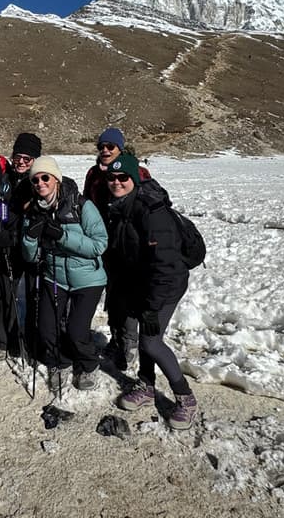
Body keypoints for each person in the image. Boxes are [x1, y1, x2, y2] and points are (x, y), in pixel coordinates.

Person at [103, 152, 197, 430]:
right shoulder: (121, 206)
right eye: (112, 177)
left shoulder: (153, 214)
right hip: (143, 283)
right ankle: (145, 385)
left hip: (166, 285)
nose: (117, 182)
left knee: (151, 342)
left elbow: (166, 267)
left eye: (123, 177)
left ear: (135, 178)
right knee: (146, 337)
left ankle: (185, 398)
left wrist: (153, 308)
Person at [21, 156, 108, 393]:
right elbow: (30, 256)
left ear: (56, 179)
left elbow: (99, 245)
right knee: (47, 329)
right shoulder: (34, 210)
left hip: (88, 279)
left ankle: (89, 364)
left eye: (45, 177)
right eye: (35, 179)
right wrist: (30, 236)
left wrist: (62, 236)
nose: (40, 183)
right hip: (54, 276)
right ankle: (60, 362)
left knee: (77, 331)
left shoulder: (82, 205)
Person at [82, 127, 150, 371]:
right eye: (101, 146)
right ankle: (116, 337)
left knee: (129, 294)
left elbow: (147, 203)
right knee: (113, 294)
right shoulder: (93, 173)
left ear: (120, 148)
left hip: (130, 243)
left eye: (110, 146)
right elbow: (86, 203)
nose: (105, 150)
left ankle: (129, 343)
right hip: (105, 244)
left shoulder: (137, 171)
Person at [0, 132, 42, 362]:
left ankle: (27, 340)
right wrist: (0, 231)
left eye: (27, 159)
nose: (21, 162)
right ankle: (4, 339)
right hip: (6, 246)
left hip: (30, 247)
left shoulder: (39, 180)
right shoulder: (6, 179)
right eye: (17, 156)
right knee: (3, 294)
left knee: (31, 297)